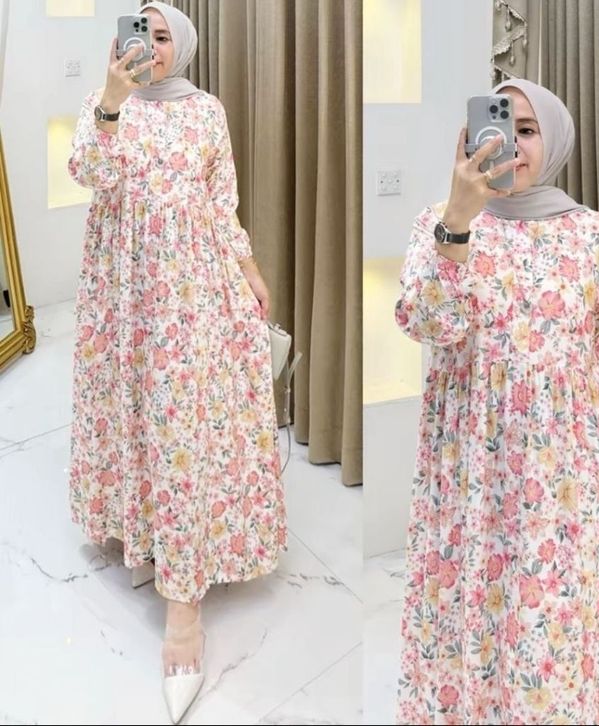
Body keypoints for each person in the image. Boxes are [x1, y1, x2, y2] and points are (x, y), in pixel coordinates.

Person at [393, 78, 599, 724]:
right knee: (489, 612)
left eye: (528, 129)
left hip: (572, 477)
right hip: (478, 472)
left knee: (556, 620)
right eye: (501, 123)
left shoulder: (591, 234)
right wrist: (459, 220)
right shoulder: (439, 222)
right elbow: (426, 322)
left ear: (554, 140)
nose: (512, 141)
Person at [67, 3, 286, 722]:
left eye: (163, 36)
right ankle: (142, 526)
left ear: (183, 44)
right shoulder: (105, 102)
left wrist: (248, 269)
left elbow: (222, 203)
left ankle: (184, 606)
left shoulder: (207, 112)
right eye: (141, 33)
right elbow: (87, 171)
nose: (151, 46)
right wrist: (112, 99)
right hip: (124, 287)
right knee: (131, 407)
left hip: (194, 283)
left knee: (185, 422)